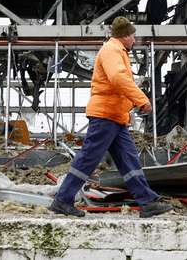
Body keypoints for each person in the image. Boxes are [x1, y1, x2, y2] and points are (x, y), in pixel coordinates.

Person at [49, 16, 173, 218]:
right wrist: (142, 100)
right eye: (133, 35)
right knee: (89, 157)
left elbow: (118, 84)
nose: (134, 39)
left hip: (115, 116)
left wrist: (128, 109)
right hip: (105, 115)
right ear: (124, 35)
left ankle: (147, 202)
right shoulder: (112, 50)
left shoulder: (117, 50)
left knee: (129, 160)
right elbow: (118, 78)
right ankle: (63, 200)